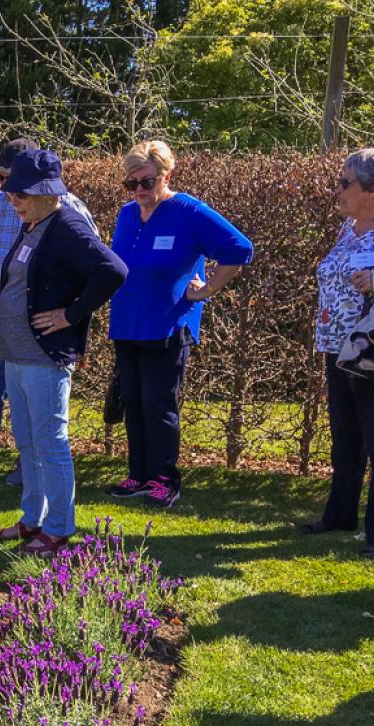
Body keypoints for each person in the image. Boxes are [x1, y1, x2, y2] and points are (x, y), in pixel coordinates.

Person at [0, 150, 128, 556]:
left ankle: (60, 527)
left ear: (48, 194)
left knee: (50, 442)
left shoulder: (66, 225)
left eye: (22, 193)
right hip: (16, 354)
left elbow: (113, 270)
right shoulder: (33, 223)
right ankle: (33, 520)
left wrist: (71, 314)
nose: (13, 199)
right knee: (28, 442)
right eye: (11, 191)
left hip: (44, 357)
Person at [107, 140, 253, 507]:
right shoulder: (127, 214)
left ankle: (165, 480)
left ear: (166, 175)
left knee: (159, 405)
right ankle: (138, 475)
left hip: (167, 326)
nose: (140, 190)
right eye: (132, 183)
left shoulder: (188, 211)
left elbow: (239, 248)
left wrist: (206, 290)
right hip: (127, 323)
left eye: (148, 181)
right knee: (134, 403)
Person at [0, 137, 98, 484]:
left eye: (12, 180)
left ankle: (34, 469)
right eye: (1, 179)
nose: (7, 189)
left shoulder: (68, 208)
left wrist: (70, 315)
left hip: (44, 317)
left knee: (38, 399)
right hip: (6, 310)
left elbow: (101, 268)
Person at [302, 148, 374, 559]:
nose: (337, 189)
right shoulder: (348, 229)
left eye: (345, 183)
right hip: (338, 347)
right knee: (346, 437)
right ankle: (339, 515)